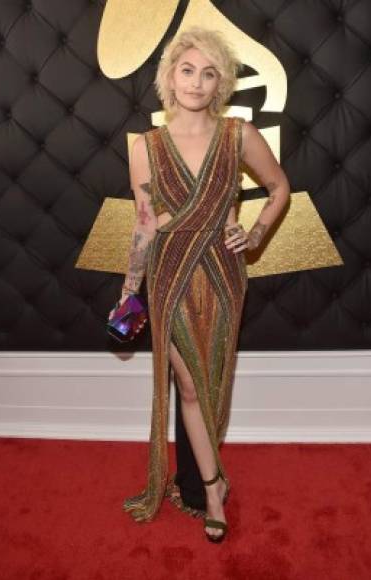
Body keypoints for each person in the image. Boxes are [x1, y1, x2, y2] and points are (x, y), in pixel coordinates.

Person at [109, 25, 290, 542]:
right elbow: (145, 223)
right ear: (170, 76)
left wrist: (253, 237)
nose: (196, 82)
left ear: (221, 84)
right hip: (169, 273)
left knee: (212, 385)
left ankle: (204, 477)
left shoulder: (238, 135)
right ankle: (212, 490)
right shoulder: (146, 146)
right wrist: (129, 291)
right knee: (187, 384)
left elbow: (279, 189)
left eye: (208, 73)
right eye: (187, 70)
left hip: (223, 272)